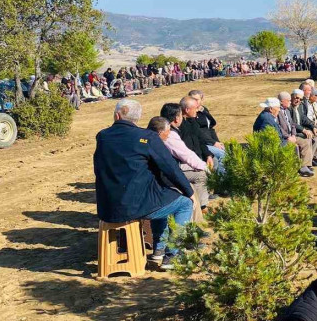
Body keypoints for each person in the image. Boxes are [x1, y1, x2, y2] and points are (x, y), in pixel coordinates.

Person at [93, 99, 194, 270]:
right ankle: (173, 254)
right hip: (136, 205)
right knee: (184, 204)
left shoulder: (102, 136)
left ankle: (158, 249)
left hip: (107, 206)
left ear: (117, 116)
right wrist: (188, 191)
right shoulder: (146, 137)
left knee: (162, 195)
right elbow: (170, 167)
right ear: (137, 118)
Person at [151, 113, 210, 210]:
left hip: (173, 169)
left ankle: (201, 203)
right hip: (167, 175)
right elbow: (183, 158)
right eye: (167, 131)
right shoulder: (164, 141)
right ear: (160, 132)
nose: (169, 133)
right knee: (200, 174)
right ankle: (201, 206)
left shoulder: (152, 138)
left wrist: (208, 155)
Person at [254, 97, 314, 177]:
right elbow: (272, 137)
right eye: (278, 108)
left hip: (278, 139)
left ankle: (302, 167)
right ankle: (291, 170)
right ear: (271, 109)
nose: (279, 110)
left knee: (304, 142)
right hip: (270, 144)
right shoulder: (267, 119)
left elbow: (286, 127)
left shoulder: (268, 116)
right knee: (293, 146)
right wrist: (287, 140)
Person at [180, 96, 224, 171]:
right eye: (195, 108)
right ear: (187, 110)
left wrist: (208, 155)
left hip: (202, 150)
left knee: (215, 159)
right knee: (220, 156)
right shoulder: (181, 126)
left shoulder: (192, 121)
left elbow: (200, 140)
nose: (197, 111)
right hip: (190, 160)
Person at [277, 92, 316, 171]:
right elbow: (279, 127)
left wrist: (294, 135)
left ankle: (305, 166)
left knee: (305, 142)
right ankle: (299, 167)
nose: (290, 102)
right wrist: (289, 137)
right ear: (281, 101)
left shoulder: (286, 110)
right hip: (284, 137)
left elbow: (292, 124)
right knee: (299, 144)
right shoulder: (278, 112)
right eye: (288, 100)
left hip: (292, 135)